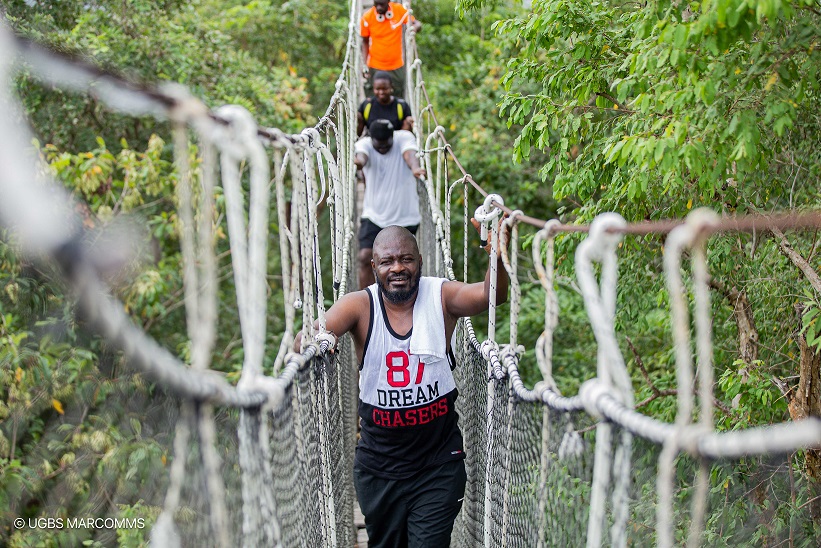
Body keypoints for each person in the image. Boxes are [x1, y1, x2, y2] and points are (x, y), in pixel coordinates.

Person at [304, 224, 509, 547]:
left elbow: (492, 295)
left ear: (420, 261)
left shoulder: (441, 297)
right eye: (387, 261)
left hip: (437, 465)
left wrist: (496, 251)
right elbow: (307, 340)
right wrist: (322, 338)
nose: (397, 267)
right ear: (373, 268)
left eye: (406, 259)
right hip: (379, 467)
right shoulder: (359, 305)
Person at [353, 118, 425, 290]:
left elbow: (410, 155)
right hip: (374, 215)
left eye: (387, 143)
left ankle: (407, 300)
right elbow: (361, 158)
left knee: (405, 264)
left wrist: (415, 168)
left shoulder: (404, 138)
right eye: (379, 144)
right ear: (372, 139)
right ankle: (368, 302)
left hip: (405, 216)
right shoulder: (364, 144)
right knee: (364, 257)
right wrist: (355, 163)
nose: (383, 147)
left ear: (394, 136)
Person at [360, 0, 422, 99]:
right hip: (375, 65)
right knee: (372, 99)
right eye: (376, 4)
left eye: (382, 4)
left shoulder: (398, 10)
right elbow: (365, 41)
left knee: (397, 97)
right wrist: (364, 65)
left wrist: (414, 28)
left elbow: (417, 23)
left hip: (396, 66)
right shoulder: (367, 17)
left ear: (388, 2)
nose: (379, 7)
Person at [357, 71, 414, 137]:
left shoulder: (401, 105)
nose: (381, 92)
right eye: (377, 89)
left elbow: (407, 133)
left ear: (391, 87)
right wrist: (359, 120)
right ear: (373, 88)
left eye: (385, 89)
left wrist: (409, 124)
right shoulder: (367, 104)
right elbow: (358, 134)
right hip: (372, 142)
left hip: (395, 142)